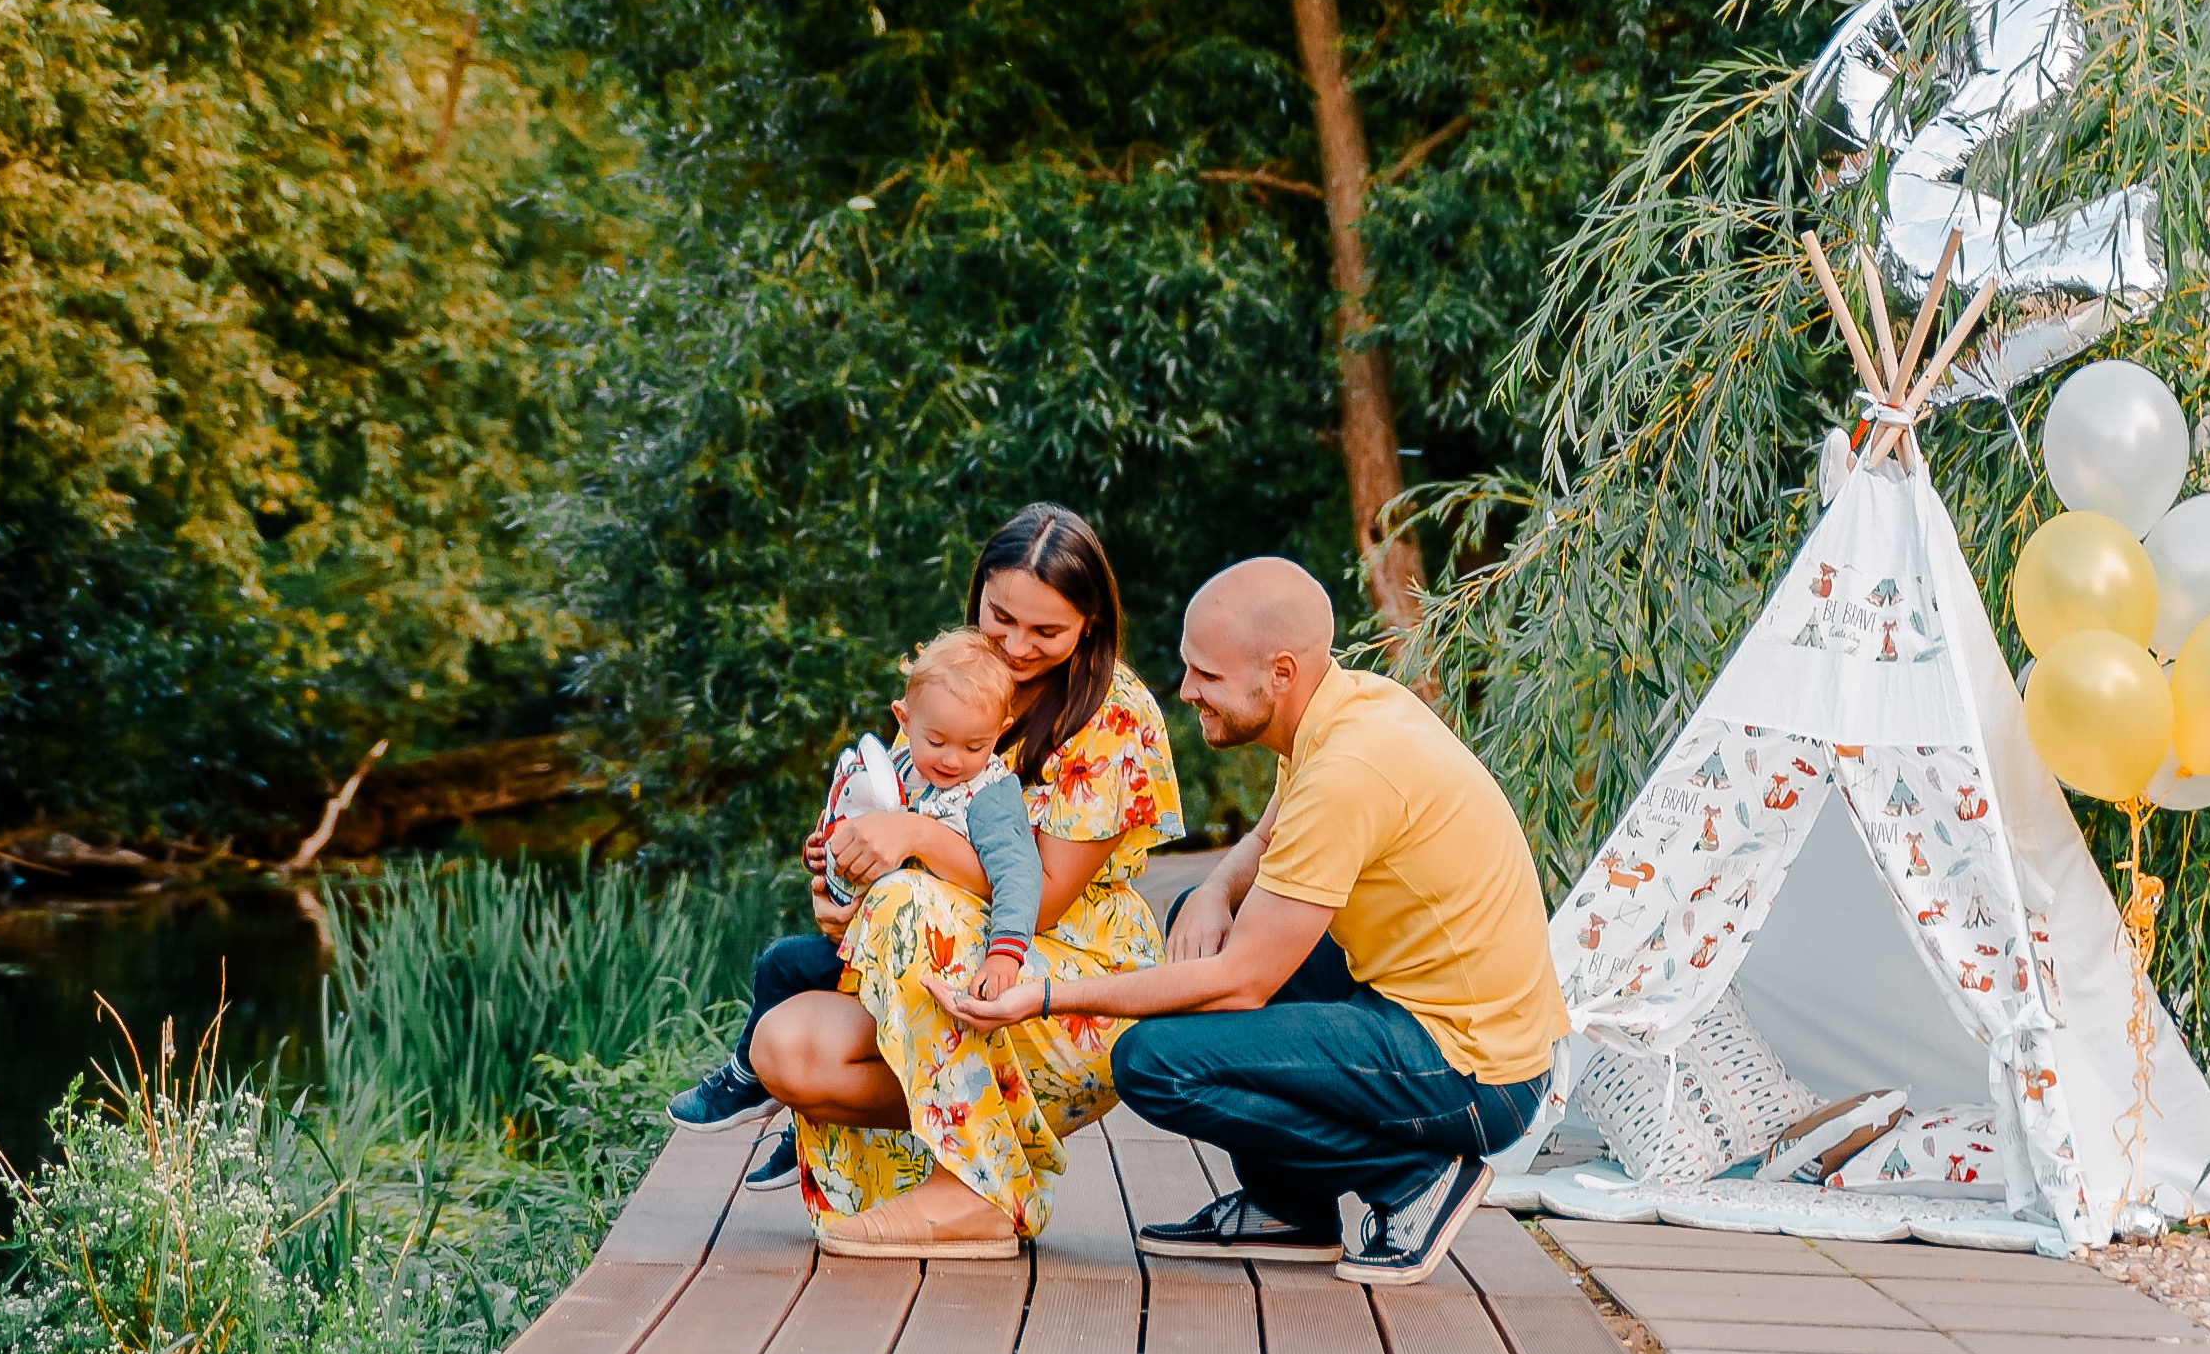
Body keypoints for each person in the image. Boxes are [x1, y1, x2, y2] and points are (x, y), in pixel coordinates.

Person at [932, 557, 1566, 1286]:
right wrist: (1209, 891)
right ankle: (1288, 1208)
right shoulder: (1344, 708)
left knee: (1152, 1062)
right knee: (1201, 924)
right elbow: (1264, 840)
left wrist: (1041, 998)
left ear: (1281, 672)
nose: (1186, 690)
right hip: (1424, 1012)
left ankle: (1413, 1176)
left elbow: (1236, 986)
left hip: (1473, 1073)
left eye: (1207, 675)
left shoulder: (1349, 768)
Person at [751, 503, 1182, 1258]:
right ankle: (940, 1166)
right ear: (977, 592)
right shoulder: (952, 677)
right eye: (1000, 618)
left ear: (1091, 623)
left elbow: (1041, 895)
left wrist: (915, 840)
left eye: (1046, 631)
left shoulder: (1118, 715)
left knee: (908, 900)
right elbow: (886, 809)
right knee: (784, 1049)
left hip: (1058, 978)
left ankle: (981, 1191)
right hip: (933, 969)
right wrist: (838, 877)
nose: (1016, 646)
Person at [667, 628, 1045, 1191]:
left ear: (1001, 733)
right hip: (872, 946)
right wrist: (824, 852)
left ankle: (768, 1094)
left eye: (974, 745)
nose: (953, 759)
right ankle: (784, 1100)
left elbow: (1019, 875)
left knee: (790, 974)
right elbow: (852, 824)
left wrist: (1005, 955)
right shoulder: (895, 769)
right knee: (784, 965)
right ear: (904, 717)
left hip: (936, 960)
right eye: (937, 740)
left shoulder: (988, 794)